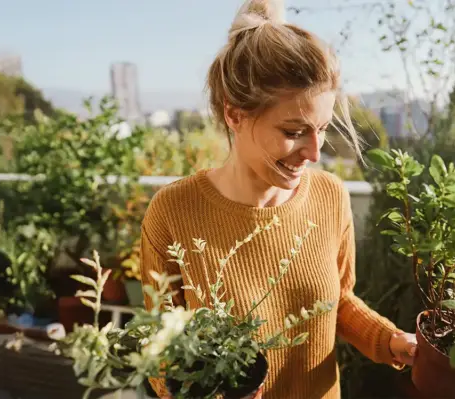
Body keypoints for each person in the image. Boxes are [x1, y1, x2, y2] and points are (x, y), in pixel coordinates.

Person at [139, 0, 417, 397]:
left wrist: (391, 340)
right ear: (234, 115)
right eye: (293, 131)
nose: (314, 152)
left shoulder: (330, 196)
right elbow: (159, 353)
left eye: (321, 129)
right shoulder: (173, 212)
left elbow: (337, 302)